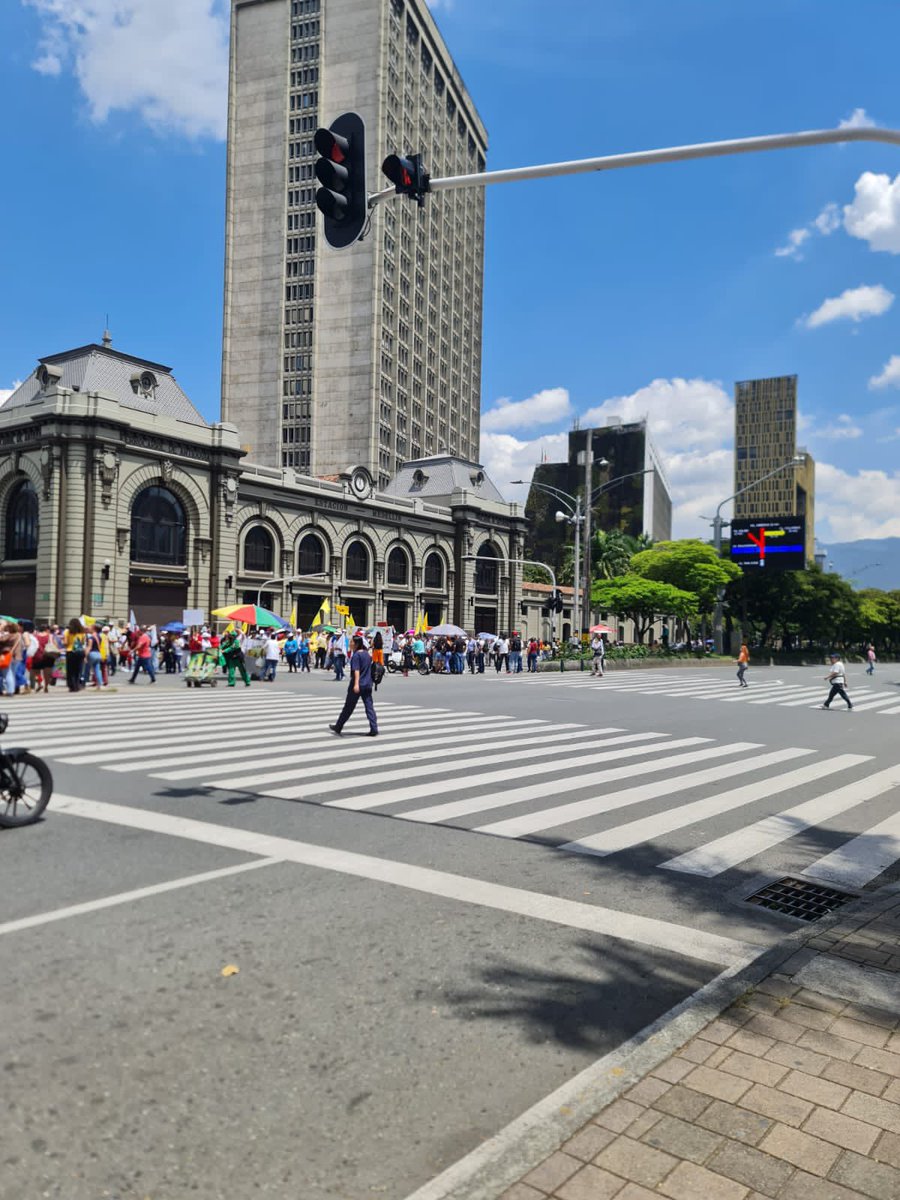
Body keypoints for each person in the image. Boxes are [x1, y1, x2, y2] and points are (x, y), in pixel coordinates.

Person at [329, 634, 378, 737]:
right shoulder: (367, 654)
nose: (350, 644)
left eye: (351, 642)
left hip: (358, 684)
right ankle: (374, 728)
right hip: (368, 683)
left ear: (356, 644)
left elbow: (356, 671)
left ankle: (338, 726)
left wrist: (356, 684)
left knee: (348, 707)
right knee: (369, 707)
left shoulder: (356, 655)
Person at [64, 618, 86, 692]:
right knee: (78, 670)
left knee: (70, 670)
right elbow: (83, 643)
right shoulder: (82, 632)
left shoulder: (67, 631)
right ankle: (77, 685)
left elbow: (65, 642)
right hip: (80, 652)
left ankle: (71, 686)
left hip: (70, 651)